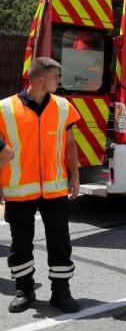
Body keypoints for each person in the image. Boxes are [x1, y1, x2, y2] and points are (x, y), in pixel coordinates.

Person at [0, 57, 82, 314]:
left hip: (55, 188)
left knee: (60, 241)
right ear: (39, 80)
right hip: (18, 189)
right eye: (56, 77)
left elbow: (69, 143)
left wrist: (75, 174)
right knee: (20, 242)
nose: (59, 81)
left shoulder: (63, 106)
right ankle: (25, 289)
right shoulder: (4, 109)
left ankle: (61, 292)